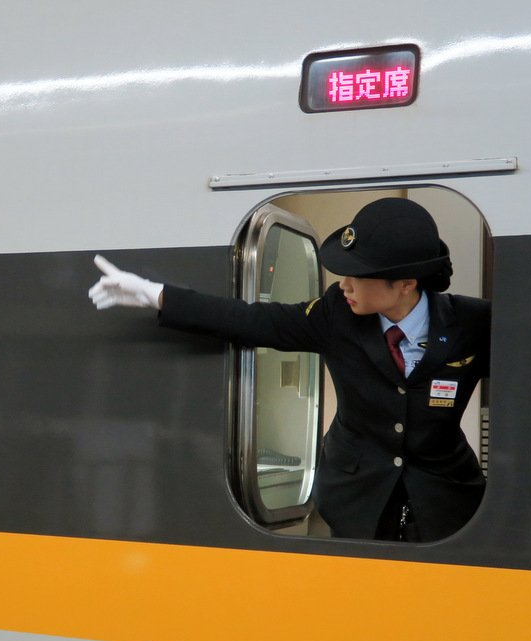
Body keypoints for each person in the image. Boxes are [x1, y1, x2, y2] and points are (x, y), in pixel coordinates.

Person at [88, 197, 490, 542]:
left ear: (405, 284)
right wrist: (153, 294)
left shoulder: (473, 323)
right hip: (357, 497)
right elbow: (255, 320)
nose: (344, 284)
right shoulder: (338, 313)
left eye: (358, 275)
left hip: (445, 501)